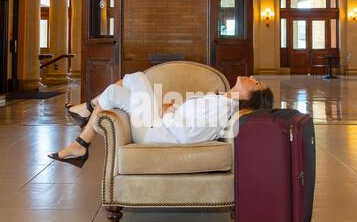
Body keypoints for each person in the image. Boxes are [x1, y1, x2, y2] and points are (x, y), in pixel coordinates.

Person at [49, 72, 274, 168]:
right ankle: (81, 143)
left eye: (255, 84)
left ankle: (85, 116)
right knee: (114, 93)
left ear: (246, 96)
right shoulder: (221, 99)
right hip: (157, 121)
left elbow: (188, 136)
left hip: (153, 129)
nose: (252, 78)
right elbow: (190, 119)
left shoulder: (224, 109)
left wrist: (169, 114)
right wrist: (172, 107)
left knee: (136, 77)